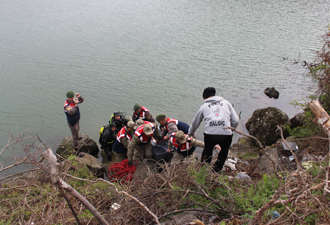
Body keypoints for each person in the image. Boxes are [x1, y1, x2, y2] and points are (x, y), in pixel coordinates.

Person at [188, 87, 239, 172]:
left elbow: (195, 123)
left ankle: (203, 171)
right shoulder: (226, 103)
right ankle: (216, 170)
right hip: (226, 134)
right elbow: (236, 120)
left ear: (204, 97)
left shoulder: (204, 106)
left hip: (210, 134)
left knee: (207, 152)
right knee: (224, 152)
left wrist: (190, 133)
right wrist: (230, 130)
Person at [64, 91, 84, 156]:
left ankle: (78, 137)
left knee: (77, 129)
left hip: (77, 119)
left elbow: (81, 101)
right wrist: (75, 105)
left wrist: (79, 97)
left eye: (73, 97)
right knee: (75, 136)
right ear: (68, 97)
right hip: (72, 122)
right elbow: (71, 112)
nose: (73, 98)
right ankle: (76, 150)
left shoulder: (74, 100)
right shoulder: (67, 105)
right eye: (71, 97)